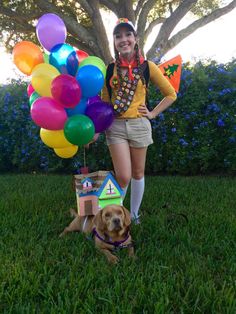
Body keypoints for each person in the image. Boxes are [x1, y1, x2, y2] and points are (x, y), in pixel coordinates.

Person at [101, 18, 177, 223]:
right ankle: (111, 217)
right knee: (123, 175)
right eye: (118, 36)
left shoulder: (147, 67)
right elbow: (105, 103)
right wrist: (97, 128)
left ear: (135, 39)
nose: (123, 39)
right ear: (114, 41)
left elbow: (171, 94)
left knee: (138, 172)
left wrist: (152, 113)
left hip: (139, 125)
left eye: (128, 35)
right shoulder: (109, 70)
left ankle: (134, 215)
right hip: (115, 127)